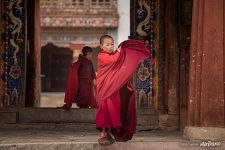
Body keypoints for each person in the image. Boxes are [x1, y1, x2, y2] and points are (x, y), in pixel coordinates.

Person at [95, 35, 153, 145]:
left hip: (113, 88)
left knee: (114, 110)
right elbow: (115, 59)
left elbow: (119, 71)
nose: (110, 46)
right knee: (105, 110)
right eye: (107, 45)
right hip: (105, 88)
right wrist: (121, 51)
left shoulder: (113, 54)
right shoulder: (101, 56)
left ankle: (108, 133)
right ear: (101, 46)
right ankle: (102, 135)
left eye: (112, 44)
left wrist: (126, 82)